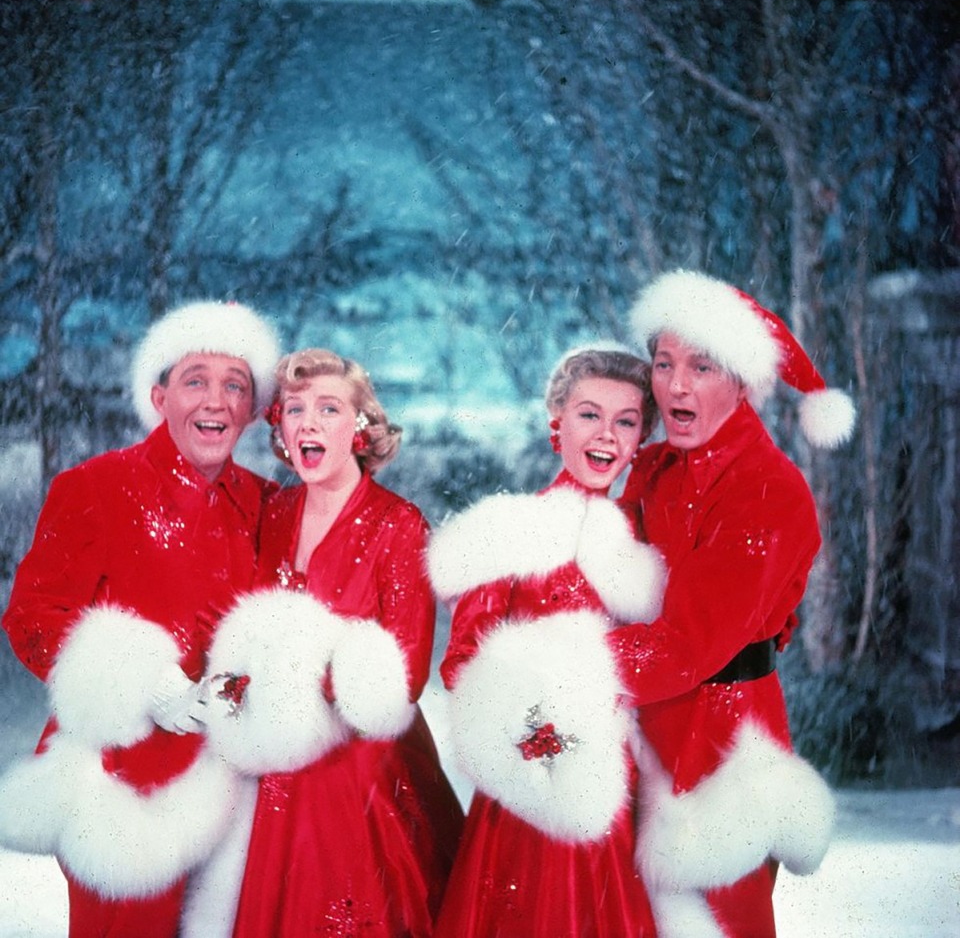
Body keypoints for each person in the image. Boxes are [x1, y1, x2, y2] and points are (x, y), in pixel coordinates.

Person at [0, 300, 280, 938]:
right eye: (195, 381)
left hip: (233, 787)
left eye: (234, 385)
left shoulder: (265, 505)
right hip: (125, 787)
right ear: (158, 397)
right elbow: (33, 615)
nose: (215, 401)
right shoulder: (95, 488)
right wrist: (143, 684)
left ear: (251, 409)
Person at [609, 269, 856, 937]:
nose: (676, 385)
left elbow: (690, 642)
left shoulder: (767, 489)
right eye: (664, 363)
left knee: (716, 916)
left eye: (702, 366)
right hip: (639, 721)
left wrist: (574, 673)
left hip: (718, 738)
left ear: (744, 381)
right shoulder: (654, 468)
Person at [188, 348, 464, 938]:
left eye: (329, 408)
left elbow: (408, 671)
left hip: (364, 763)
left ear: (361, 428)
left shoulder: (399, 523)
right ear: (282, 429)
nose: (309, 422)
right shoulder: (276, 511)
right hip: (276, 756)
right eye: (295, 409)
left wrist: (304, 681)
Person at [425, 345, 667, 938]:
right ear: (556, 421)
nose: (606, 434)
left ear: (640, 439)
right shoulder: (509, 532)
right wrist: (533, 728)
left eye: (626, 420)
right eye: (589, 414)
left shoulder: (647, 543)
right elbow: (464, 662)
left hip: (624, 794)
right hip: (532, 786)